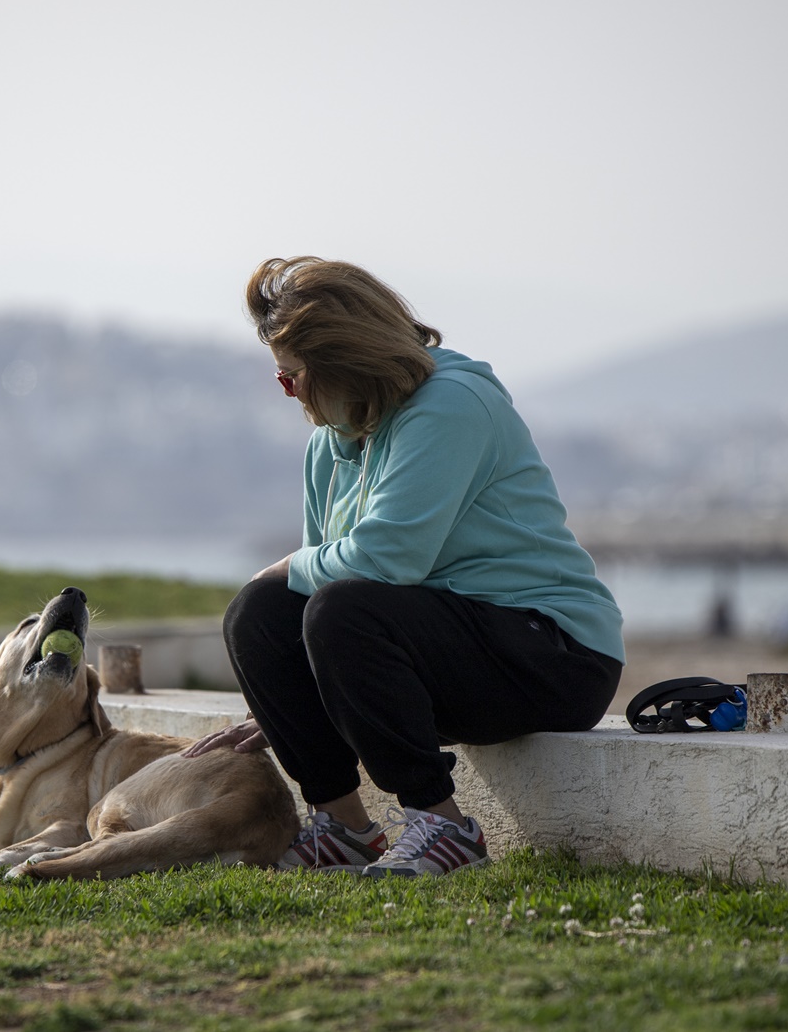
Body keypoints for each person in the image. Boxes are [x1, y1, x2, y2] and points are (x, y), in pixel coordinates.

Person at [183, 256, 624, 878]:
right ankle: (345, 830)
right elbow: (310, 591)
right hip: (448, 651)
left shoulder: (452, 406)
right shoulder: (329, 444)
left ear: (347, 362)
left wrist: (278, 568)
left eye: (293, 378)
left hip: (552, 656)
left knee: (338, 606)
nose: (291, 394)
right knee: (259, 614)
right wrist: (286, 700)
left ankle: (444, 827)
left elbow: (388, 559)